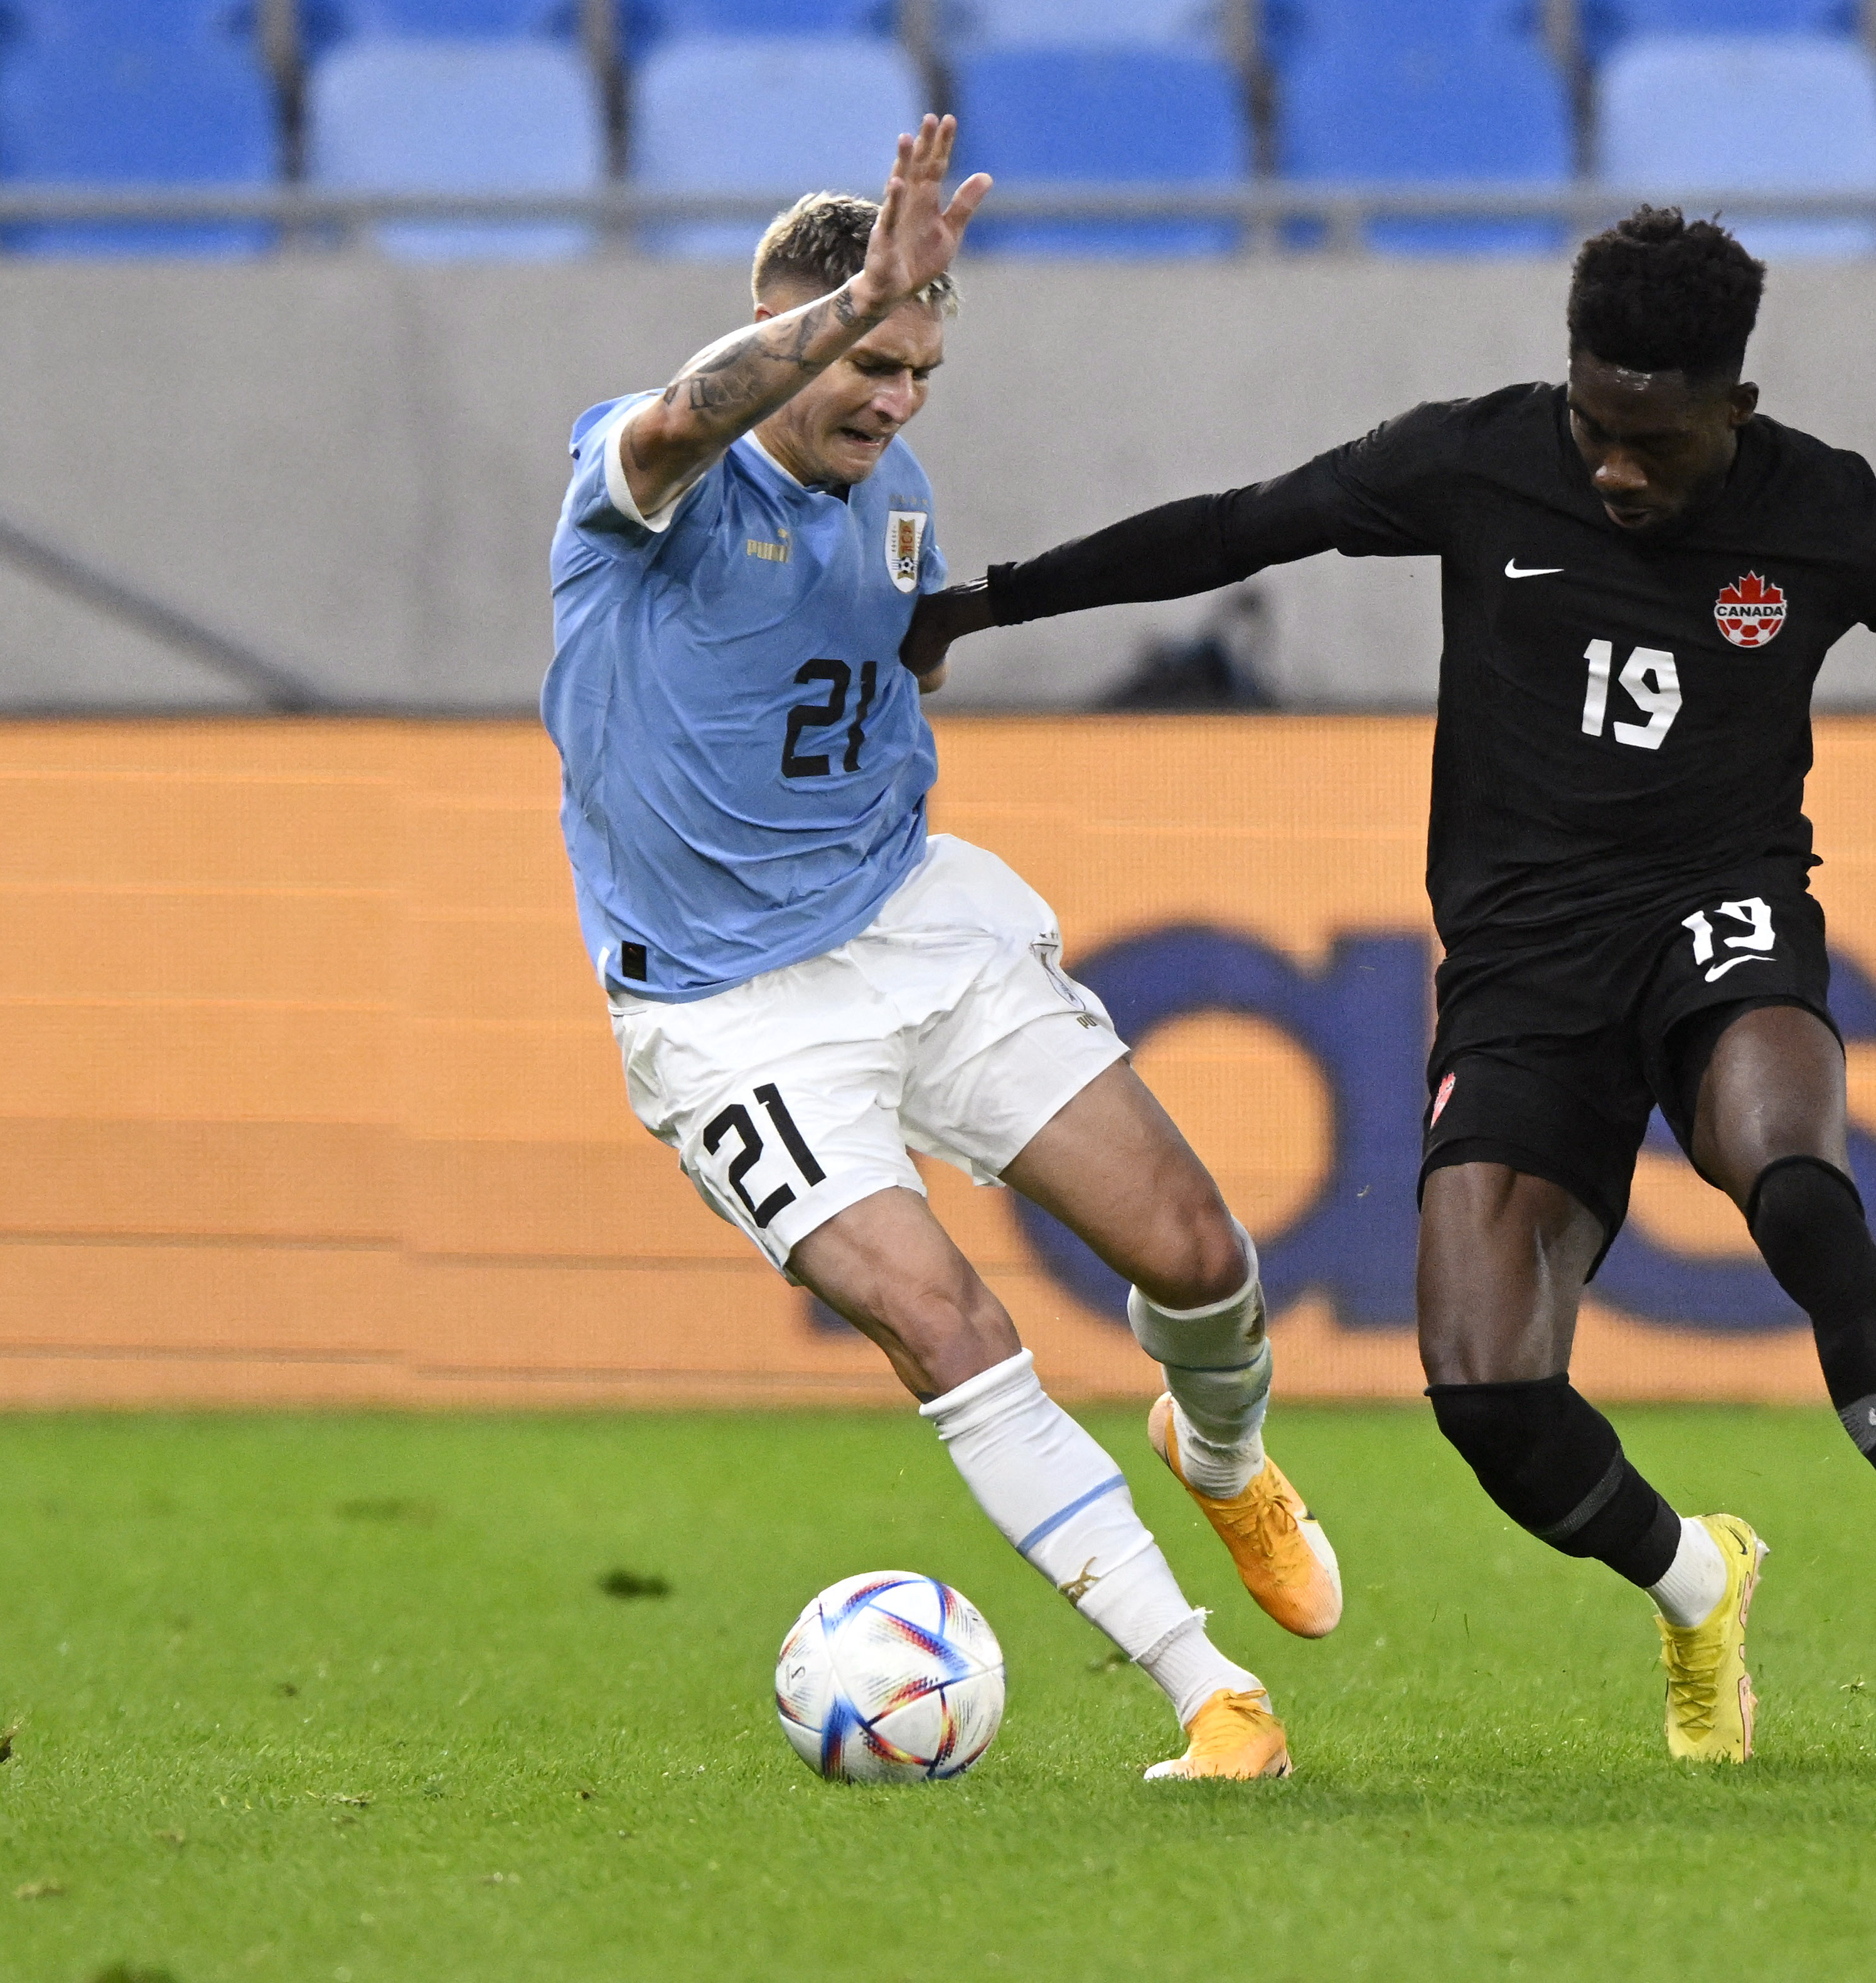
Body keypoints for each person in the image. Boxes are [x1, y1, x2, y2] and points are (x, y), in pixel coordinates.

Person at [904, 207, 1876, 1768]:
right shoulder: (1475, 462)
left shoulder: (1829, 517)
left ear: (1733, 411)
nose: (1616, 467)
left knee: (1802, 1196)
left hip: (1723, 913)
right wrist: (987, 600)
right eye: (1593, 425)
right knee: (1487, 1394)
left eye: (1656, 442)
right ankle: (1699, 1580)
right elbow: (1239, 526)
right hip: (1523, 965)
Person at [542, 121, 1337, 1783]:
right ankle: (1210, 1695)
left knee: (1195, 1252)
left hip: (911, 923)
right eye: (864, 357)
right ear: (789, 326)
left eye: (916, 364)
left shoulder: (888, 485)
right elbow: (691, 411)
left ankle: (1222, 1448)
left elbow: (865, 658)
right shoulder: (640, 493)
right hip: (728, 1016)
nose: (892, 397)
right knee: (947, 1327)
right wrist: (835, 320)